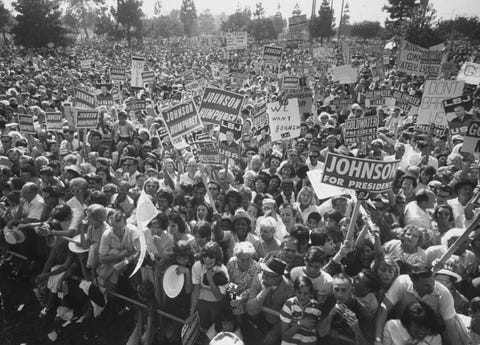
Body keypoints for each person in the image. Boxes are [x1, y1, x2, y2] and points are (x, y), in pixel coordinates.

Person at [374, 265, 470, 345]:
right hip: (403, 328)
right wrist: (377, 340)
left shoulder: (443, 293)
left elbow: (451, 327)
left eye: (433, 283)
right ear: (413, 281)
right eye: (426, 285)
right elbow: (384, 309)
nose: (432, 288)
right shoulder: (401, 282)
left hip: (428, 332)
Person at [246, 257, 294, 345]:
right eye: (263, 272)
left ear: (279, 277)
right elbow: (250, 310)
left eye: (268, 275)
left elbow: (285, 318)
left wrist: (272, 335)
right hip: (258, 318)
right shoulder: (259, 278)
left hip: (277, 322)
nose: (264, 277)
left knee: (268, 341)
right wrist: (264, 292)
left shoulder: (289, 289)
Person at [317, 273, 373, 345]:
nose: (340, 294)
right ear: (332, 289)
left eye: (344, 290)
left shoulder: (363, 313)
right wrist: (330, 314)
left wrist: (357, 330)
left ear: (351, 290)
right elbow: (321, 333)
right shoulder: (328, 302)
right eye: (336, 289)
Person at [189, 241, 229, 330]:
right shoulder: (197, 266)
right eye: (204, 256)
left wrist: (210, 279)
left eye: (211, 256)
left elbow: (220, 297)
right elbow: (196, 290)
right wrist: (191, 313)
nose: (207, 259)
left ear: (217, 257)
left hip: (217, 301)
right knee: (204, 326)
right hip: (202, 300)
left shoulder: (222, 271)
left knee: (216, 327)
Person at [280, 276, 322, 345]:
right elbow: (285, 336)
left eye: (306, 293)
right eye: (299, 292)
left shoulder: (317, 307)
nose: (302, 296)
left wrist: (294, 324)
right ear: (294, 291)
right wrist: (300, 323)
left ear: (311, 293)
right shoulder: (289, 305)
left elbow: (317, 329)